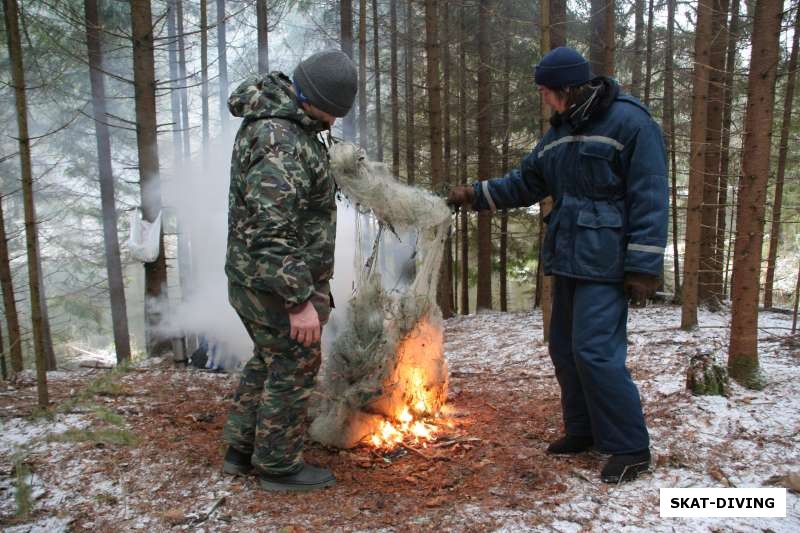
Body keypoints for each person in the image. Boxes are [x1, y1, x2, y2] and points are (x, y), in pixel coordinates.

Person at [448, 47, 668, 483]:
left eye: (548, 92)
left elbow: (650, 194)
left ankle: (630, 447)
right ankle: (584, 431)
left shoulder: (630, 123)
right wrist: (475, 195)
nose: (545, 99)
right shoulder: (560, 132)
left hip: (607, 263)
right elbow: (527, 181)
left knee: (596, 352)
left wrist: (643, 265)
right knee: (564, 349)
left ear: (569, 88)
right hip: (567, 256)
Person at [221, 50, 357, 492]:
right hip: (273, 283)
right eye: (331, 111)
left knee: (270, 357)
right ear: (310, 97)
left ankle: (242, 450)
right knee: (296, 362)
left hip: (261, 277)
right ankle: (278, 466)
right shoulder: (280, 139)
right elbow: (271, 229)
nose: (334, 122)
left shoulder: (287, 124)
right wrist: (299, 301)